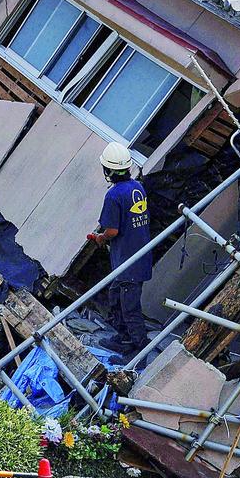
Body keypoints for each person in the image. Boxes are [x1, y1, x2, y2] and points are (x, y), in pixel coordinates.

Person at [87, 142, 152, 354]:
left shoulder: (113, 195)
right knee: (115, 296)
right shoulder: (137, 188)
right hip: (138, 256)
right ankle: (123, 337)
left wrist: (100, 238)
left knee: (130, 308)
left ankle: (138, 351)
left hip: (128, 262)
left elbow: (112, 231)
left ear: (108, 170)